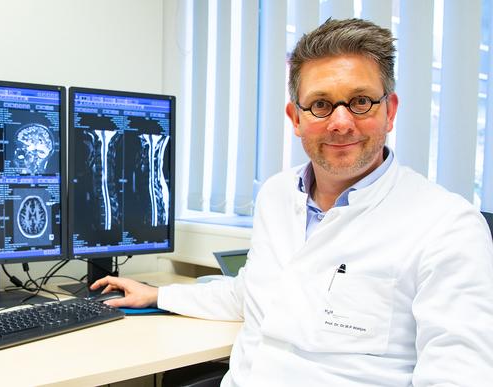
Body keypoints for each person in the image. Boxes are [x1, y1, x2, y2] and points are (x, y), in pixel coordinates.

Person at [92, 18, 493, 386]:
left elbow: (459, 375)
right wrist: (158, 295)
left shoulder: (448, 226)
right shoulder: (277, 194)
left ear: (390, 111)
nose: (340, 121)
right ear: (295, 117)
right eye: (320, 104)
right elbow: (252, 293)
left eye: (360, 101)